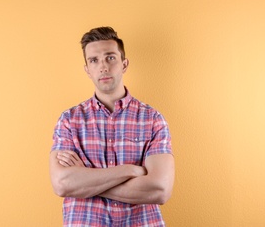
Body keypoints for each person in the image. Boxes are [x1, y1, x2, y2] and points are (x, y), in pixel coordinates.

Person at [50, 26, 174, 226]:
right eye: (94, 60)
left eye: (110, 57)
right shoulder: (69, 120)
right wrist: (130, 171)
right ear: (87, 70)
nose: (103, 67)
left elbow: (160, 189)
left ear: (124, 64)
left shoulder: (152, 119)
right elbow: (63, 184)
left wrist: (86, 181)